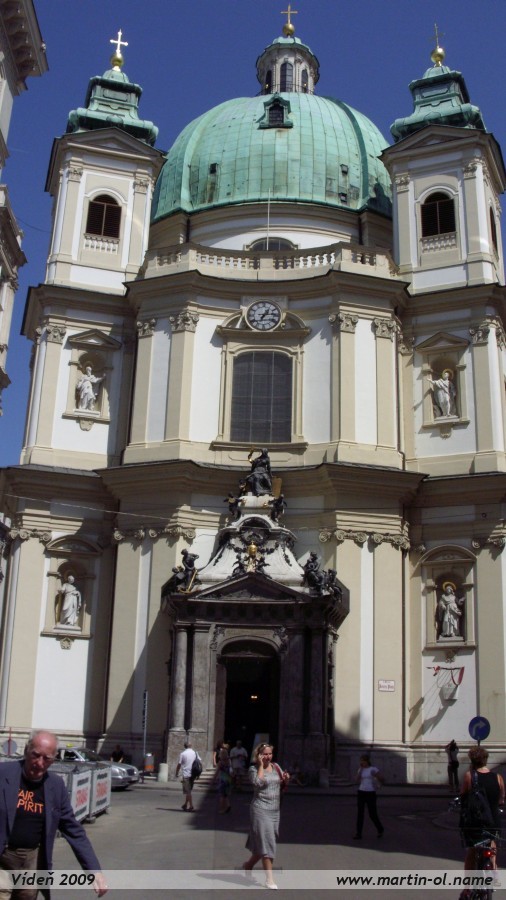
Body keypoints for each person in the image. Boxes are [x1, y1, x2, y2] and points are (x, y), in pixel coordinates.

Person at [0, 730, 107, 899]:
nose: (39, 763)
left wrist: (94, 871)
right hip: (3, 857)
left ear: (54, 759)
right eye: (36, 755)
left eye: (47, 758)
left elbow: (73, 830)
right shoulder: (3, 773)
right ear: (27, 750)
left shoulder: (56, 786)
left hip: (32, 862)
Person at [242, 742, 290, 890]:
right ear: (258, 755)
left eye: (270, 754)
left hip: (275, 811)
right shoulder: (253, 769)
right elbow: (257, 783)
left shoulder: (276, 767)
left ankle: (248, 865)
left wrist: (286, 779)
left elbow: (281, 784)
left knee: (264, 842)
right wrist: (261, 766)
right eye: (265, 754)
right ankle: (269, 879)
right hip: (260, 809)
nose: (268, 757)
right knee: (268, 843)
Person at [460, 746, 504, 876]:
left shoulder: (469, 776)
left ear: (472, 760)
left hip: (476, 822)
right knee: (492, 846)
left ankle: (468, 885)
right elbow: (502, 799)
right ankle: (494, 871)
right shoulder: (498, 777)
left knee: (472, 852)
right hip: (493, 820)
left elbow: (463, 796)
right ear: (486, 760)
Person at [354, 754, 384, 839]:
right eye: (361, 761)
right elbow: (356, 780)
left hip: (370, 793)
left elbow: (382, 779)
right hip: (361, 792)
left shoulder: (373, 769)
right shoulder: (361, 769)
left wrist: (375, 776)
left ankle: (380, 829)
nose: (362, 762)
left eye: (363, 761)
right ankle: (358, 833)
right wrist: (360, 771)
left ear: (367, 761)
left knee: (372, 814)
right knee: (360, 813)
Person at [175, 740, 196, 812]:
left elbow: (179, 764)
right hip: (193, 774)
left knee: (188, 791)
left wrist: (177, 772)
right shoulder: (195, 753)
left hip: (186, 774)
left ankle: (191, 806)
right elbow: (199, 762)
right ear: (191, 746)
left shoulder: (183, 754)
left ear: (184, 746)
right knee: (189, 791)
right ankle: (185, 804)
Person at [214, 744, 232, 814]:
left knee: (221, 795)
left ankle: (222, 809)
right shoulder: (229, 761)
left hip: (222, 779)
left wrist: (214, 779)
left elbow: (217, 772)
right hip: (228, 779)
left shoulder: (220, 763)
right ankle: (228, 805)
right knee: (225, 794)